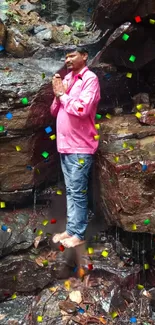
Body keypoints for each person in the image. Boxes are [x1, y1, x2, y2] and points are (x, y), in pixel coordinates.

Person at [50, 46, 101, 248]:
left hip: (81, 146)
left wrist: (62, 95)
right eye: (66, 56)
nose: (67, 59)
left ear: (84, 56)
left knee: (78, 191)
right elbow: (54, 110)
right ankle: (71, 230)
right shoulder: (68, 79)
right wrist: (56, 94)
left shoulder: (90, 79)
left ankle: (78, 234)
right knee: (71, 190)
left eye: (72, 55)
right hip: (65, 146)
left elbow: (82, 108)